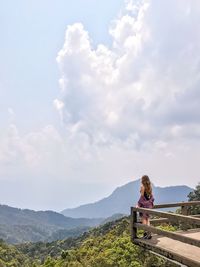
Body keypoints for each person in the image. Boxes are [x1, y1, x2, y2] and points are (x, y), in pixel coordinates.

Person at [136, 175, 154, 239]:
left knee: (144, 219)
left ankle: (145, 233)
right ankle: (149, 233)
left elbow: (142, 197)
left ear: (143, 180)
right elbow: (151, 196)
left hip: (144, 205)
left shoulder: (142, 187)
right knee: (148, 219)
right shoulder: (150, 187)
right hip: (149, 205)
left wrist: (138, 204)